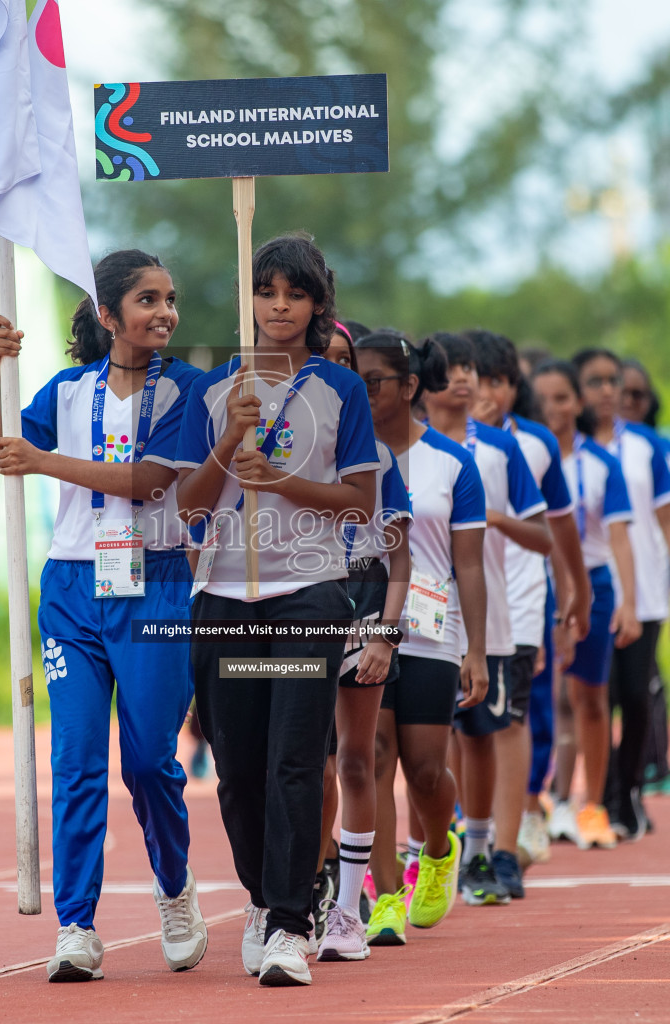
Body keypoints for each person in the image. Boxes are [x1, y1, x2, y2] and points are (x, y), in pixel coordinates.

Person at [0, 249, 208, 983]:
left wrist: (43, 462)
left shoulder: (189, 389)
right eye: (147, 300)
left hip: (157, 584)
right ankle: (77, 926)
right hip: (73, 591)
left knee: (148, 762)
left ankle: (175, 888)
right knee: (76, 763)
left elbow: (146, 482)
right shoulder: (67, 391)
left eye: (169, 298)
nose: (164, 312)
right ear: (109, 316)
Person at [175, 234, 378, 987]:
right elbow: (189, 509)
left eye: (296, 294)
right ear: (249, 300)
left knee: (296, 758)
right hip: (224, 601)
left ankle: (293, 923)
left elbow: (360, 502)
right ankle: (262, 900)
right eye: (267, 292)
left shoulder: (340, 390)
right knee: (237, 769)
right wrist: (231, 442)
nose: (280, 306)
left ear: (318, 303)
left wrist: (282, 481)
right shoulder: (214, 389)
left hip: (306, 596)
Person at [352, 330, 485, 947]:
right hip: (358, 621)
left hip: (431, 628)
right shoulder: (341, 454)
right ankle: (384, 898)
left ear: (409, 388)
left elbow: (471, 565)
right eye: (355, 380)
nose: (363, 391)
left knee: (426, 770)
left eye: (375, 381)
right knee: (373, 757)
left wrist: (476, 650)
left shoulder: (453, 464)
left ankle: (438, 846)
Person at [424, 333, 551, 907]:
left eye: (469, 368)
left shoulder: (500, 449)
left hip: (487, 621)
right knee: (422, 741)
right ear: (420, 383)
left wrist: (494, 519)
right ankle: (422, 847)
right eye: (449, 369)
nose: (463, 378)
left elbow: (544, 534)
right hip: (416, 622)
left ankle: (486, 850)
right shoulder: (400, 451)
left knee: (483, 734)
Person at [466, 330, 589, 886]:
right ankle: (465, 838)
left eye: (497, 381)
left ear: (515, 387)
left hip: (516, 602)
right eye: (473, 379)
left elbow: (559, 530)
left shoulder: (533, 445)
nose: (484, 391)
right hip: (447, 611)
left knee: (508, 718)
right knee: (458, 729)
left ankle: (508, 848)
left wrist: (573, 596)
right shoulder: (430, 443)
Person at [317, 321, 412, 962]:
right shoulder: (273, 442)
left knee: (356, 758)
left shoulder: (377, 457)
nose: (333, 369)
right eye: (321, 358)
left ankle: (350, 909)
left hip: (361, 605)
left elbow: (400, 563)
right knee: (296, 761)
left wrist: (385, 634)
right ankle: (296, 892)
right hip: (290, 607)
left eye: (345, 361)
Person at [575, 349, 670, 841]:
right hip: (592, 594)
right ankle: (601, 799)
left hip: (644, 593)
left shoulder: (651, 448)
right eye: (597, 382)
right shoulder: (571, 450)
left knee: (635, 696)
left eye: (615, 382)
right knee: (594, 698)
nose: (609, 392)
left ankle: (628, 790)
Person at [531, 360, 639, 851]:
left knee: (591, 699)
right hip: (536, 584)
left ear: (578, 402)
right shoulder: (525, 456)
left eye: (561, 398)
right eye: (543, 399)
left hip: (592, 584)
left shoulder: (602, 464)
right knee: (537, 696)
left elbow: (618, 538)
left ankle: (592, 805)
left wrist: (629, 603)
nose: (553, 409)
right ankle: (535, 800)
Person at [621, 359, 670, 796]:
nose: (628, 401)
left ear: (650, 402)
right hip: (599, 587)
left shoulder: (661, 450)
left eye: (638, 395)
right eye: (621, 391)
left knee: (645, 679)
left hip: (649, 580)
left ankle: (654, 764)